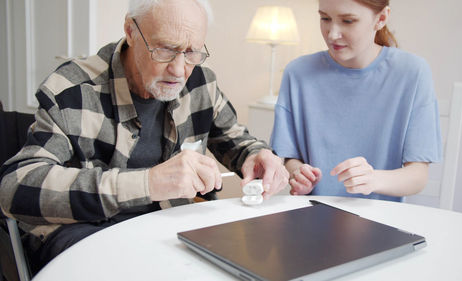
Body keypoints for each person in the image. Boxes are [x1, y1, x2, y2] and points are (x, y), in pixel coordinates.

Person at [0, 0, 288, 272]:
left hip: (164, 229)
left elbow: (236, 139)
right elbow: (15, 187)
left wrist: (256, 155)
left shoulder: (201, 81)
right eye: (164, 49)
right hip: (86, 231)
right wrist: (147, 183)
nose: (178, 70)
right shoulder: (71, 89)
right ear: (130, 31)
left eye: (191, 52)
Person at [270, 0, 442, 201]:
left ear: (381, 18)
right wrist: (299, 173)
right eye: (325, 18)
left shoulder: (412, 73)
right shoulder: (297, 73)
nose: (332, 34)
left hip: (381, 222)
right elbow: (290, 157)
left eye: (348, 21)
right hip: (313, 217)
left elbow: (418, 176)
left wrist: (374, 179)